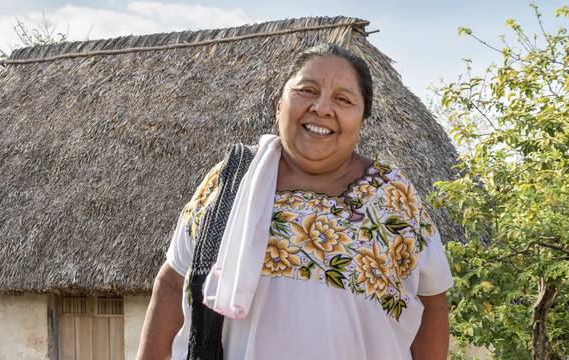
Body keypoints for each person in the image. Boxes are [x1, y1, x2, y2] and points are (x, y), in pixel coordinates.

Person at [137, 43, 453, 360]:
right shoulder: (230, 182)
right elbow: (172, 281)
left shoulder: (394, 197)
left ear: (361, 122)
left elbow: (433, 302)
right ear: (279, 105)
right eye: (307, 90)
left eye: (343, 99)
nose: (322, 108)